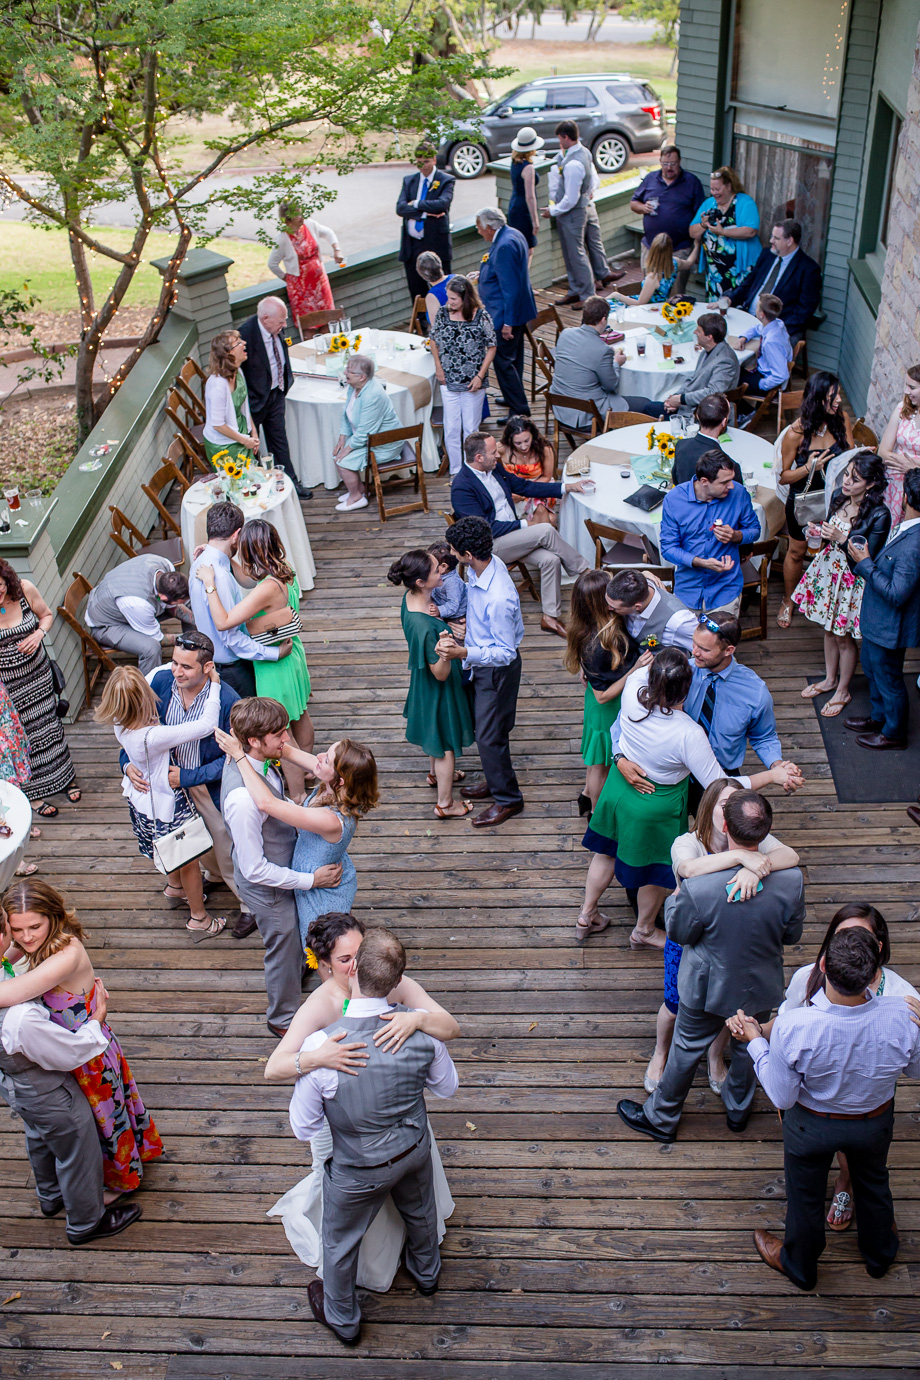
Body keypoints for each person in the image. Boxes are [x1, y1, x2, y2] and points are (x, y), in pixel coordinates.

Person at [264, 912, 459, 1294]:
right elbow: (274, 1067)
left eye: (360, 953)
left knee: (406, 1196)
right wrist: (315, 1059)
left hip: (396, 1121)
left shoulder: (389, 982)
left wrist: (417, 1021)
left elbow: (449, 1026)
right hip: (342, 1124)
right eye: (344, 959)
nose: (356, 967)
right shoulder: (321, 1006)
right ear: (323, 966)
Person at [731, 925, 920, 1292]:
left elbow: (783, 1097)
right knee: (874, 1183)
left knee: (804, 1196)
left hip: (810, 1125)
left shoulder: (794, 1025)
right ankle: (880, 1255)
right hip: (873, 1121)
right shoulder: (906, 1014)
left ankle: (800, 1266)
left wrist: (756, 1043)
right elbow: (916, 1069)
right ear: (875, 972)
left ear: (822, 965)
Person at [617, 787, 805, 1142]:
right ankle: (738, 1110)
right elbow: (791, 935)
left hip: (706, 985)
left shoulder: (700, 887)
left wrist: (673, 903)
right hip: (761, 982)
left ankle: (662, 1117)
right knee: (749, 1047)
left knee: (686, 1049)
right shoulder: (792, 881)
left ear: (726, 826)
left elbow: (679, 932)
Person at [579, 650, 789, 947]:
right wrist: (772, 776)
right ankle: (645, 930)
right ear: (686, 690)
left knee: (606, 853)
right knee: (655, 873)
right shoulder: (688, 732)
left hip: (618, 787)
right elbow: (719, 783)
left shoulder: (633, 687)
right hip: (656, 803)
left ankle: (586, 915)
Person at [0, 879, 164, 1195]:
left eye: (34, 926)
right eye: (17, 929)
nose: (26, 937)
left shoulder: (67, 952)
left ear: (53, 916)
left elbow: (11, 992)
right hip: (66, 1050)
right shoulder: (26, 944)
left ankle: (117, 1184)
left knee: (102, 1122)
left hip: (87, 1054)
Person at [771, 903, 919, 1235]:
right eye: (841, 936)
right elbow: (783, 1023)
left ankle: (844, 1187)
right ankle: (880, 1250)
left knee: (842, 1179)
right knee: (873, 1178)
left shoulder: (904, 998)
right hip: (833, 1112)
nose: (850, 947)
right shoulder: (806, 978)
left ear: (878, 948)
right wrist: (757, 1032)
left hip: (862, 1106)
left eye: (860, 938)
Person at [217, 698, 346, 1036]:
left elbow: (280, 781)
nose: (286, 739)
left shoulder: (259, 757)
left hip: (282, 869)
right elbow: (253, 869)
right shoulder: (242, 800)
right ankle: (283, 1017)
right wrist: (311, 879)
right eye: (278, 734)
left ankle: (300, 967)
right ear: (254, 741)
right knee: (282, 946)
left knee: (294, 944)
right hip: (268, 889)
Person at [116, 632, 249, 928]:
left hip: (205, 786)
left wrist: (189, 776)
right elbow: (133, 733)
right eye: (174, 662)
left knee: (228, 847)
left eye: (186, 667)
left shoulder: (228, 701)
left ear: (208, 666)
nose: (176, 671)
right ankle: (212, 877)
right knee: (201, 848)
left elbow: (235, 757)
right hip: (171, 792)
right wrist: (127, 766)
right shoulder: (161, 683)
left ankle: (248, 905)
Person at [218, 712, 378, 953]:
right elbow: (286, 750)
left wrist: (240, 756)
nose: (319, 757)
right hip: (314, 872)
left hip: (322, 896)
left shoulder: (332, 819)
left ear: (340, 780)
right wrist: (250, 736)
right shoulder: (332, 783)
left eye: (326, 759)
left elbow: (266, 803)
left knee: (325, 956)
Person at [613, 612, 803, 810]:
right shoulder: (680, 673)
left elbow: (764, 736)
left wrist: (777, 765)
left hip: (723, 773)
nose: (694, 653)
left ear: (728, 650)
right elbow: (624, 716)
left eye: (704, 649)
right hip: (675, 773)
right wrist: (619, 756)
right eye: (694, 643)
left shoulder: (755, 693)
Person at [95, 665, 227, 939]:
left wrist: (173, 664)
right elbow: (205, 725)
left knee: (170, 852)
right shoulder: (152, 736)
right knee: (189, 860)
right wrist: (213, 682)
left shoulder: (120, 723)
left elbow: (154, 671)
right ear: (143, 698)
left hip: (143, 803)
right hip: (167, 805)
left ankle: (173, 888)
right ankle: (198, 919)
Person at [195, 518, 313, 794]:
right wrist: (224, 558)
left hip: (275, 669)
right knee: (300, 715)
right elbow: (249, 578)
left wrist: (210, 585)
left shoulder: (266, 589)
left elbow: (224, 622)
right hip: (293, 655)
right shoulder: (285, 571)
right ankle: (308, 771)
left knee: (282, 736)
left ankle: (297, 794)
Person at [451, 431, 590, 638]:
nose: (498, 456)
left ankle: (550, 618)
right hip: (490, 545)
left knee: (550, 559)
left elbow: (525, 486)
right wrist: (525, 523)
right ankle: (586, 573)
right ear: (478, 458)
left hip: (514, 538)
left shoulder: (495, 468)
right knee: (545, 530)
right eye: (493, 453)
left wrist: (566, 487)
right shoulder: (462, 488)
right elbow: (484, 529)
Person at [435, 516, 523, 828]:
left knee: (488, 736)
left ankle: (508, 799)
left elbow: (505, 652)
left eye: (453, 549)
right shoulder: (482, 565)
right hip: (480, 659)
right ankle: (495, 777)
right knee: (485, 729)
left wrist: (463, 652)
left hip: (495, 669)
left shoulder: (498, 598)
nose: (450, 552)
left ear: (469, 554)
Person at [793, 452, 890, 717]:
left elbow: (868, 555)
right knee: (828, 629)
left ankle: (843, 689)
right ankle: (829, 679)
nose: (846, 481)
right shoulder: (839, 496)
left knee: (843, 637)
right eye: (846, 474)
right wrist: (819, 531)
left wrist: (842, 537)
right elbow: (830, 531)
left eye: (854, 479)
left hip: (850, 580)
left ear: (870, 484)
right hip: (829, 571)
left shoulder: (879, 514)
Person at [387, 549, 475, 819]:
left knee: (434, 735)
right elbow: (439, 673)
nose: (442, 571)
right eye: (437, 570)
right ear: (420, 582)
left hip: (422, 683)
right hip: (438, 687)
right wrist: (446, 648)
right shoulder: (425, 626)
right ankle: (445, 804)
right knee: (445, 746)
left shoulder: (411, 598)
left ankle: (435, 775)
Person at [844, 467, 920, 750]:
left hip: (891, 625)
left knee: (889, 680)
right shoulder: (906, 527)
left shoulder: (915, 544)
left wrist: (865, 562)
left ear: (905, 497)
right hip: (877, 621)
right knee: (874, 671)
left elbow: (897, 594)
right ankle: (878, 718)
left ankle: (894, 734)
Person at [564, 569, 647, 819]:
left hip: (598, 698)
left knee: (596, 763)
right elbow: (603, 696)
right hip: (606, 705)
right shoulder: (597, 645)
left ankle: (587, 796)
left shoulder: (589, 627)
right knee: (600, 764)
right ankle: (599, 815)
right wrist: (635, 670)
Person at [0, 559, 79, 817]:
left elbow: (46, 615)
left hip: (39, 677)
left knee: (50, 726)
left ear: (7, 580)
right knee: (23, 738)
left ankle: (65, 778)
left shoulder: (24, 590)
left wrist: (38, 635)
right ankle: (34, 796)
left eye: (0, 586)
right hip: (10, 691)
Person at [189, 501, 291, 700]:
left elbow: (248, 580)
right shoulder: (221, 578)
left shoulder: (200, 563)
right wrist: (273, 653)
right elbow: (231, 637)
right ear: (236, 535)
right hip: (233, 669)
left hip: (214, 661)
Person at [776, 372, 855, 629]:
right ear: (818, 399)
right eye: (833, 396)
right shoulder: (794, 433)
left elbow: (850, 456)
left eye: (839, 394)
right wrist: (808, 468)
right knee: (797, 551)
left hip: (835, 502)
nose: (839, 400)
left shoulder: (841, 419)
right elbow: (783, 477)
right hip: (805, 502)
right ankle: (788, 600)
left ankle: (820, 599)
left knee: (828, 551)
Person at [660, 450, 760, 614]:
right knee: (687, 639)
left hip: (725, 590)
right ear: (704, 481)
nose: (731, 486)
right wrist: (700, 562)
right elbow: (668, 548)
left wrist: (736, 535)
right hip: (688, 590)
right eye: (725, 482)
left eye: (732, 479)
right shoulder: (674, 499)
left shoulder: (739, 493)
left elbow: (755, 530)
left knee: (723, 639)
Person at [238, 295, 311, 501]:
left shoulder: (275, 326)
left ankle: (291, 484)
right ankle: (255, 489)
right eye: (281, 321)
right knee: (252, 446)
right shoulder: (244, 336)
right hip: (254, 400)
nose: (284, 325)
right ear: (265, 318)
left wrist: (284, 384)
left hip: (276, 393)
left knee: (279, 440)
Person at [428, 275, 496, 476]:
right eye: (448, 298)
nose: (449, 302)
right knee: (451, 428)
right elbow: (434, 340)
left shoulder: (481, 316)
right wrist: (438, 367)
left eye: (453, 299)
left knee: (470, 429)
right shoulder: (442, 313)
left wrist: (479, 376)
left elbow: (491, 347)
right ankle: (456, 470)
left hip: (473, 382)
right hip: (448, 380)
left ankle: (471, 469)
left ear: (465, 298)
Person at [475, 206, 537, 420]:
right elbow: (505, 272)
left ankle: (518, 408)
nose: (479, 231)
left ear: (491, 227)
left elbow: (509, 288)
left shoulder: (504, 246)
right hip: (518, 310)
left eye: (480, 227)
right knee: (514, 358)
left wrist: (508, 323)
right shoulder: (513, 233)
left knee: (503, 361)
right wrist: (482, 274)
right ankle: (513, 396)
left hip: (505, 315)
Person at [550, 296, 648, 430]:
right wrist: (616, 363)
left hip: (561, 408)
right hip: (586, 416)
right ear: (603, 320)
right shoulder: (603, 350)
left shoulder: (565, 334)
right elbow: (611, 385)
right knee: (646, 405)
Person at [85, 552, 190, 676]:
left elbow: (173, 604)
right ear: (163, 596)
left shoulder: (164, 564)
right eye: (179, 601)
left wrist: (196, 622)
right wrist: (187, 639)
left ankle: (192, 655)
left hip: (129, 606)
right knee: (151, 648)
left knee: (191, 605)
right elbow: (158, 638)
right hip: (106, 624)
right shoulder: (138, 603)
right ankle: (149, 689)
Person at [543, 121, 612, 307]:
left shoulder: (574, 164)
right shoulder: (580, 153)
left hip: (573, 213)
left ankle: (587, 295)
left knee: (577, 254)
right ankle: (574, 290)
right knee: (569, 254)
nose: (559, 142)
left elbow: (570, 199)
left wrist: (553, 210)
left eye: (559, 138)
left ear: (566, 137)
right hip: (572, 211)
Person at [631, 313, 741, 420]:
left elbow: (712, 392)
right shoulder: (706, 351)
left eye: (698, 330)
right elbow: (693, 380)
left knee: (647, 409)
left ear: (709, 337)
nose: (694, 332)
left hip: (701, 414)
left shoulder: (725, 361)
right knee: (653, 405)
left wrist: (681, 399)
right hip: (690, 405)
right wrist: (675, 398)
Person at [729, 219, 821, 344]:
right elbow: (749, 283)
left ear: (789, 241)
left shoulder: (808, 270)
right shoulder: (767, 255)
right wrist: (730, 299)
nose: (771, 240)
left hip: (778, 327)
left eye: (776, 238)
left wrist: (773, 330)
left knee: (752, 354)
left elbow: (803, 312)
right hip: (748, 317)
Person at [332, 354, 403, 512]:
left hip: (384, 443)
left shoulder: (373, 395)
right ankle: (358, 490)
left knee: (342, 461)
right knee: (337, 454)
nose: (345, 373)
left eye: (349, 371)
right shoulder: (354, 386)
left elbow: (365, 432)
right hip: (368, 438)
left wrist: (347, 449)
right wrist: (342, 439)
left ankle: (356, 498)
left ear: (362, 377)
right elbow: (346, 413)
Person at [268, 200, 343, 333]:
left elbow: (328, 232)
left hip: (320, 283)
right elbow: (272, 264)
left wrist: (336, 249)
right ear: (288, 220)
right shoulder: (283, 239)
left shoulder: (310, 225)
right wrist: (288, 279)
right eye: (297, 215)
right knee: (309, 326)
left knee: (327, 321)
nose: (301, 216)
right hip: (301, 289)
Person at [629, 144, 706, 269]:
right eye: (665, 164)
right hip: (651, 248)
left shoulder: (691, 182)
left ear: (680, 162)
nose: (669, 167)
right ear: (660, 162)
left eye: (673, 164)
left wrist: (696, 243)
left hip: (679, 249)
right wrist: (643, 208)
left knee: (676, 288)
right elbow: (633, 203)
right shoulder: (650, 179)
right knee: (649, 285)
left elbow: (700, 216)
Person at [689, 166, 761, 300]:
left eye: (717, 189)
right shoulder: (709, 204)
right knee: (715, 314)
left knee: (738, 311)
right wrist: (703, 224)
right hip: (715, 275)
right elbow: (692, 232)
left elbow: (751, 231)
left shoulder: (745, 202)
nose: (713, 193)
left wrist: (723, 231)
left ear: (729, 186)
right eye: (712, 189)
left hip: (741, 272)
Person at [397, 145, 455, 303]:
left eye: (427, 161)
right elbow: (400, 208)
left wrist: (415, 203)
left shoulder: (446, 180)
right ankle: (421, 324)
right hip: (413, 245)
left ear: (435, 159)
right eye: (419, 162)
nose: (423, 165)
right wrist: (424, 213)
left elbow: (442, 204)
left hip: (436, 243)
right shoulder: (409, 181)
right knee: (417, 291)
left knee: (445, 290)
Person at [202, 328, 260, 469]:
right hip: (224, 444)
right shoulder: (218, 386)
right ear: (229, 353)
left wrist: (253, 431)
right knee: (235, 484)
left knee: (249, 478)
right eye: (238, 342)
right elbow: (218, 425)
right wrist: (244, 440)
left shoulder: (238, 371)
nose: (244, 343)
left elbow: (243, 406)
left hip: (241, 431)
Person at [604, 568, 698, 653]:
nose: (608, 608)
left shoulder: (679, 622)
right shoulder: (636, 586)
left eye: (614, 608)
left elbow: (708, 649)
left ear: (637, 607)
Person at [877, 364, 920, 527]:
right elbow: (883, 452)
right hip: (892, 483)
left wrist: (914, 469)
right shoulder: (903, 409)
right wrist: (910, 464)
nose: (906, 391)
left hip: (915, 491)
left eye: (912, 387)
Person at [496, 414, 557, 520]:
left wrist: (524, 494)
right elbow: (497, 475)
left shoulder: (544, 448)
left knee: (541, 510)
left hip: (538, 484)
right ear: (510, 440)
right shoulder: (501, 449)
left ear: (532, 435)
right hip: (513, 491)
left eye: (526, 441)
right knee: (550, 520)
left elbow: (546, 477)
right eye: (518, 443)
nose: (523, 447)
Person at [671, 394, 741, 486]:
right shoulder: (731, 467)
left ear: (697, 416)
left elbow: (676, 481)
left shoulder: (681, 445)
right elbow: (737, 496)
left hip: (683, 498)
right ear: (724, 422)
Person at [731, 292, 792, 396]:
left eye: (757, 307)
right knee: (736, 371)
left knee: (730, 381)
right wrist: (743, 338)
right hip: (765, 367)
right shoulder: (776, 323)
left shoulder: (770, 343)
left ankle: (746, 410)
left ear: (761, 314)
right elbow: (756, 328)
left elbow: (781, 375)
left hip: (766, 378)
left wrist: (761, 384)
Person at [609, 233, 694, 307]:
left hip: (647, 309)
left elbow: (640, 303)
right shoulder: (675, 263)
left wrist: (617, 295)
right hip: (660, 306)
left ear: (652, 252)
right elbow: (689, 263)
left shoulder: (653, 277)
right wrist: (697, 245)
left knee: (608, 303)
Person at [508, 127, 543, 260]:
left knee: (519, 248)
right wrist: (535, 221)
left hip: (514, 205)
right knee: (528, 250)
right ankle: (524, 280)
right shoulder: (528, 168)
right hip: (523, 210)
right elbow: (530, 196)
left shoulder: (515, 162)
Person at [426, 542, 468, 625]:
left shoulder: (452, 583)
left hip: (455, 617)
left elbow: (453, 605)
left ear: (444, 566)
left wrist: (439, 610)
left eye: (430, 564)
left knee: (453, 634)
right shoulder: (441, 574)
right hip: (441, 602)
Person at [415, 251, 453, 326]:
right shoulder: (458, 278)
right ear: (440, 264)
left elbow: (436, 328)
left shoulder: (432, 296)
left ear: (421, 274)